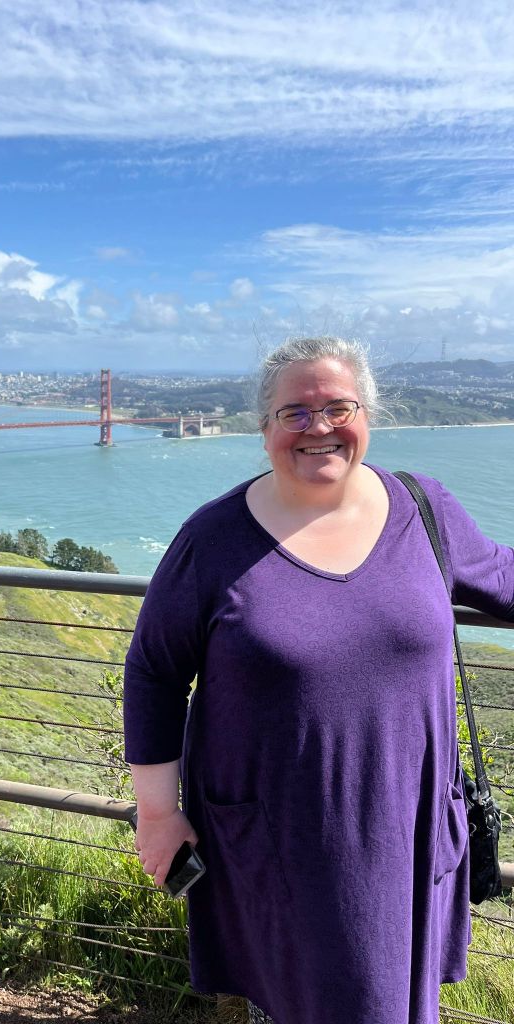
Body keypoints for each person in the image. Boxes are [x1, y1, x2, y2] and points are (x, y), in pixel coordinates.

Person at [122, 336, 514, 1024]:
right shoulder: (212, 538)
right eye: (294, 414)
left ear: (368, 413)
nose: (319, 427)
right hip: (283, 838)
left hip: (410, 824)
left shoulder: (426, 510)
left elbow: (503, 576)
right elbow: (154, 671)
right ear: (265, 428)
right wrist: (157, 813)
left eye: (338, 407)